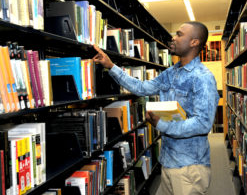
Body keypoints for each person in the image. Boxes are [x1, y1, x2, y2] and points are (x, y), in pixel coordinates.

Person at [92, 21, 219, 195]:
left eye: (180, 34)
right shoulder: (171, 72)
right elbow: (141, 88)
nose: (173, 38)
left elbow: (203, 123)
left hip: (189, 166)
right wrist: (111, 66)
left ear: (194, 42)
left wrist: (162, 125)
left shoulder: (203, 78)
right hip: (167, 161)